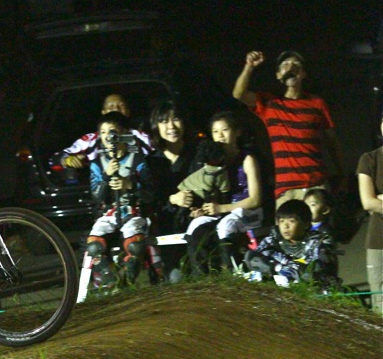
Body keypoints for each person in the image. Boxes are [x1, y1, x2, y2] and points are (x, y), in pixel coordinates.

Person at [231, 50, 343, 207]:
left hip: (317, 185)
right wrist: (249, 67)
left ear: (303, 74)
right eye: (285, 65)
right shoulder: (270, 104)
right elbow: (238, 94)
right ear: (278, 75)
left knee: (321, 231)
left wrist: (341, 173)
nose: (291, 67)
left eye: (296, 65)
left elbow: (331, 140)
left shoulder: (317, 103)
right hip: (287, 190)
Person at [184, 111, 264, 274]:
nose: (220, 136)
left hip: (247, 212)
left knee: (225, 226)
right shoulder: (213, 162)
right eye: (215, 132)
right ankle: (201, 276)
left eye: (225, 130)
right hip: (223, 213)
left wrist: (221, 208)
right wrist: (200, 210)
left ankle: (232, 274)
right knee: (195, 226)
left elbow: (255, 199)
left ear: (237, 132)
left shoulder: (248, 159)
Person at [85, 112, 154, 286]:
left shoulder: (137, 158)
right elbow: (96, 196)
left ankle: (128, 280)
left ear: (123, 133)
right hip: (107, 214)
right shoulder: (97, 163)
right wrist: (106, 176)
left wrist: (129, 184)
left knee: (136, 246)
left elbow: (149, 193)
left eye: (113, 131)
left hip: (132, 212)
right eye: (103, 132)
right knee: (94, 246)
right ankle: (109, 279)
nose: (108, 137)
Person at [144, 100, 199, 281]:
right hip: (167, 228)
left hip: (198, 223)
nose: (171, 126)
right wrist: (173, 200)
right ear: (156, 126)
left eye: (176, 119)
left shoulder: (198, 153)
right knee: (176, 278)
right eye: (164, 121)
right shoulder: (152, 162)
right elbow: (150, 200)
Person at [244, 200, 337, 287]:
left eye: (291, 221)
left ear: (306, 224)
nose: (285, 226)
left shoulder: (315, 243)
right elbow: (252, 258)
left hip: (306, 288)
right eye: (282, 221)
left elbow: (323, 272)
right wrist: (275, 267)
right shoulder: (273, 239)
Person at [59, 93, 152, 169]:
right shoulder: (91, 140)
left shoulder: (140, 137)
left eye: (121, 105)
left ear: (127, 111)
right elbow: (55, 160)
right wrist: (67, 160)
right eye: (111, 106)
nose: (116, 109)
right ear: (103, 113)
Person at [357, 114, 383, 314]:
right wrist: (376, 200)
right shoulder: (370, 159)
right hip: (379, 241)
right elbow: (368, 202)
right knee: (381, 304)